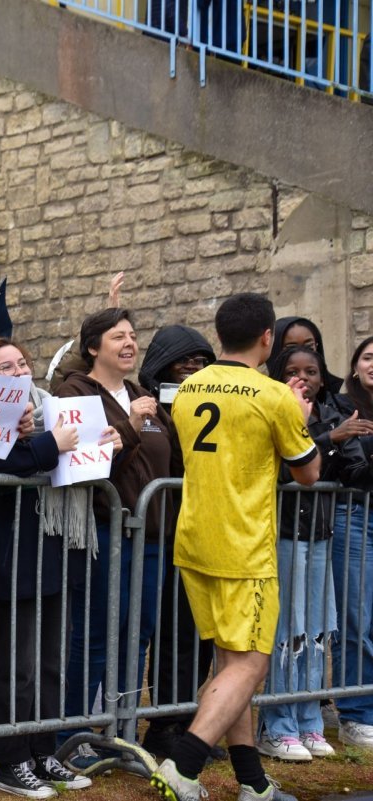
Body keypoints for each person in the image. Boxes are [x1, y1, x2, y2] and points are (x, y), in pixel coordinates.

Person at [152, 292, 320, 801]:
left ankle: (252, 782)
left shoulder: (187, 388)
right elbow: (308, 472)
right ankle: (183, 767)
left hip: (195, 538)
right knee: (251, 665)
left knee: (231, 665)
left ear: (219, 334)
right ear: (267, 338)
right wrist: (300, 416)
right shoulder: (272, 396)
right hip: (243, 545)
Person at [0, 338, 92, 799]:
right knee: (14, 663)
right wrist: (48, 445)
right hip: (7, 558)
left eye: (22, 363)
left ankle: (42, 751)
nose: (19, 371)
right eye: (6, 366)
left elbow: (72, 457)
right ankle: (10, 759)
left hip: (51, 552)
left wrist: (102, 441)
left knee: (50, 660)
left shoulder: (50, 410)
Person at [55, 309, 173, 769]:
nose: (129, 343)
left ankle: (122, 732)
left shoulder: (145, 395)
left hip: (152, 534)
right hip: (108, 531)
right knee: (97, 634)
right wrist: (128, 426)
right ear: (92, 347)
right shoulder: (76, 393)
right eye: (117, 336)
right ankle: (73, 735)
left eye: (133, 336)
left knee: (138, 633)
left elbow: (169, 459)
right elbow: (83, 465)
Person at [256, 346, 363, 762]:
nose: (303, 378)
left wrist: (335, 439)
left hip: (320, 535)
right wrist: (324, 439)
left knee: (316, 630)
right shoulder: (274, 414)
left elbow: (350, 470)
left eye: (312, 371)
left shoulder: (335, 414)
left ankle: (309, 720)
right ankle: (277, 725)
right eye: (293, 371)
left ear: (322, 378)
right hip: (283, 535)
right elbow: (283, 469)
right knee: (287, 630)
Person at [136, 324, 219, 761]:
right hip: (162, 533)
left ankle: (190, 721)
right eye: (183, 361)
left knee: (199, 632)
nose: (192, 368)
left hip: (201, 530)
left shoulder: (211, 401)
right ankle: (163, 725)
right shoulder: (148, 404)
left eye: (201, 361)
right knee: (168, 635)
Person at [329, 335, 373, 751]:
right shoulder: (344, 407)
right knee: (356, 617)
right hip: (356, 514)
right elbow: (354, 468)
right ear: (356, 365)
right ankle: (356, 715)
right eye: (368, 357)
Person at [268, 317, 344, 398]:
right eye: (292, 348)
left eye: (309, 347)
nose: (302, 354)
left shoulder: (338, 405)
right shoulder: (260, 398)